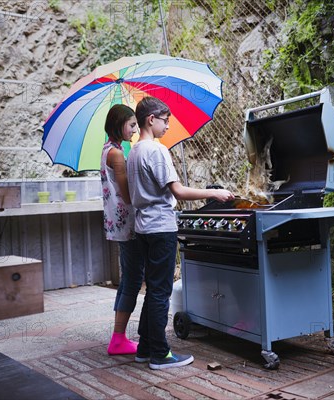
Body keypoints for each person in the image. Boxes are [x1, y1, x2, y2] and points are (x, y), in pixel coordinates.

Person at [127, 96, 235, 370]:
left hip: (142, 228)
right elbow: (178, 191)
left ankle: (144, 348)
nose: (167, 127)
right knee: (161, 290)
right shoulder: (156, 150)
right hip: (161, 226)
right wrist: (214, 192)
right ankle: (160, 355)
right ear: (151, 119)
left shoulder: (133, 152)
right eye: (165, 121)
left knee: (153, 289)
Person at [101, 104, 144, 355]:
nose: (135, 129)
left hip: (118, 223)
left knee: (129, 277)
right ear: (119, 124)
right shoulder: (116, 154)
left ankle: (119, 336)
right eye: (131, 125)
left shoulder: (110, 149)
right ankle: (118, 339)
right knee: (133, 278)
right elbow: (127, 195)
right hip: (127, 222)